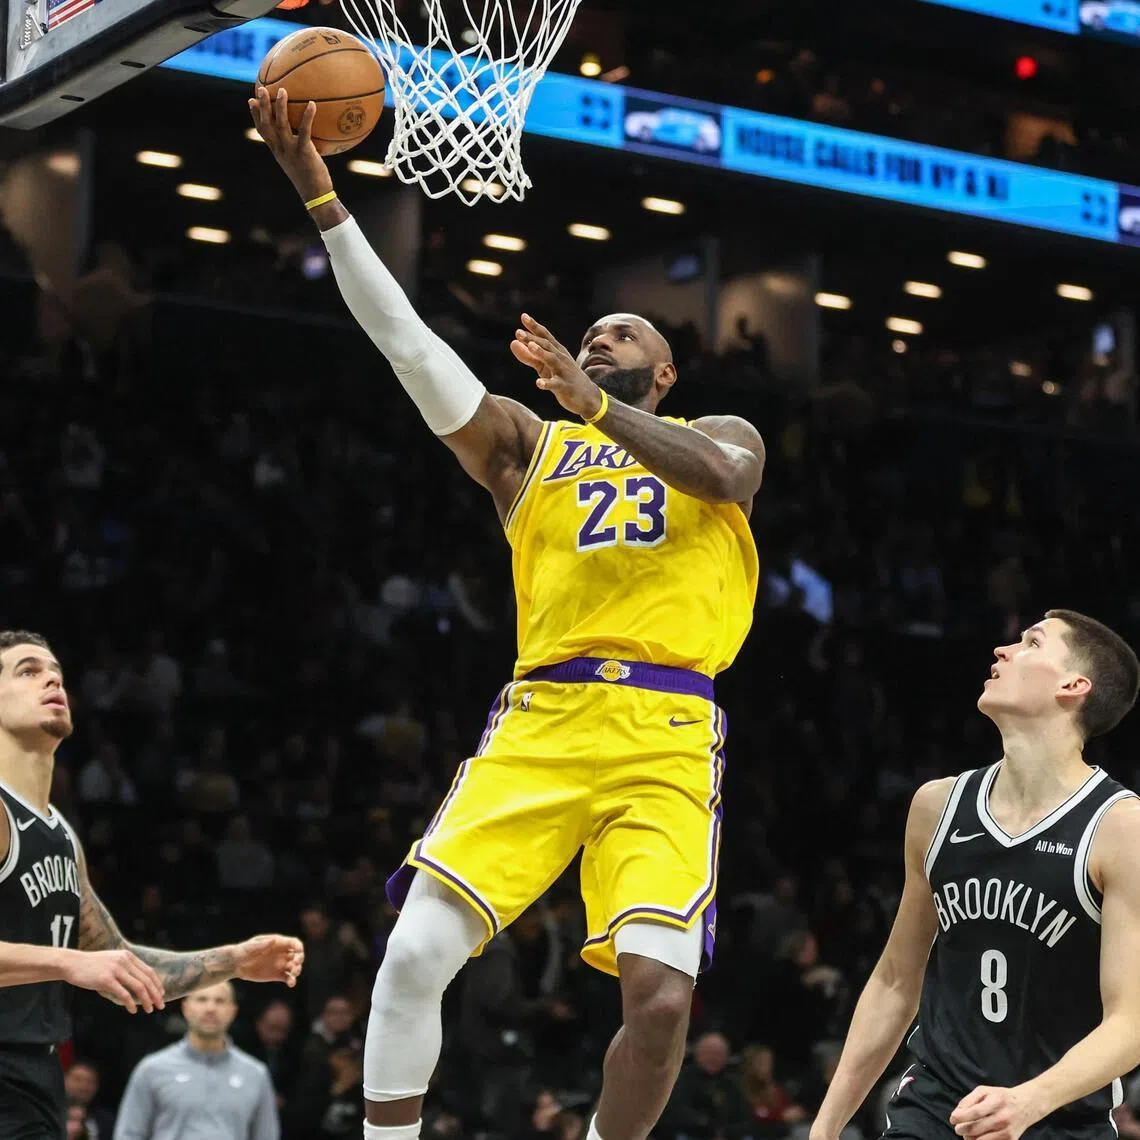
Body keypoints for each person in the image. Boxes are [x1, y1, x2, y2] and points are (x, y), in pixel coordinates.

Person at [250, 86, 764, 1140]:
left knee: (664, 1000)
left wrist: (594, 400)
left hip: (665, 729)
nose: (600, 338)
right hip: (543, 717)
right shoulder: (527, 445)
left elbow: (722, 480)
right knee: (413, 955)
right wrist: (321, 197)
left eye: (623, 333)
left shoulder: (718, 429)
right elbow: (406, 345)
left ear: (665, 372)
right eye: (591, 334)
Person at [810, 611, 1140, 1140]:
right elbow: (897, 979)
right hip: (934, 1109)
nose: (1003, 651)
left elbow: (1130, 1025)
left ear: (1074, 686)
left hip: (1059, 1119)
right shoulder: (937, 806)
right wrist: (825, 1126)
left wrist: (1029, 1100)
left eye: (1031, 642)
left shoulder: (1121, 828)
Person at [0, 630, 305, 1140]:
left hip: (36, 1076)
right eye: (27, 670)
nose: (52, 677)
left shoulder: (58, 835)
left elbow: (119, 964)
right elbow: (86, 963)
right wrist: (70, 962)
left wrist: (233, 960)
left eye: (55, 670)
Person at [113, 981, 279, 1140]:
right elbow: (128, 1134)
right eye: (202, 999)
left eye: (220, 1001)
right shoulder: (152, 1069)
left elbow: (266, 1136)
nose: (210, 1008)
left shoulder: (256, 1074)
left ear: (233, 1011)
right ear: (186, 1008)